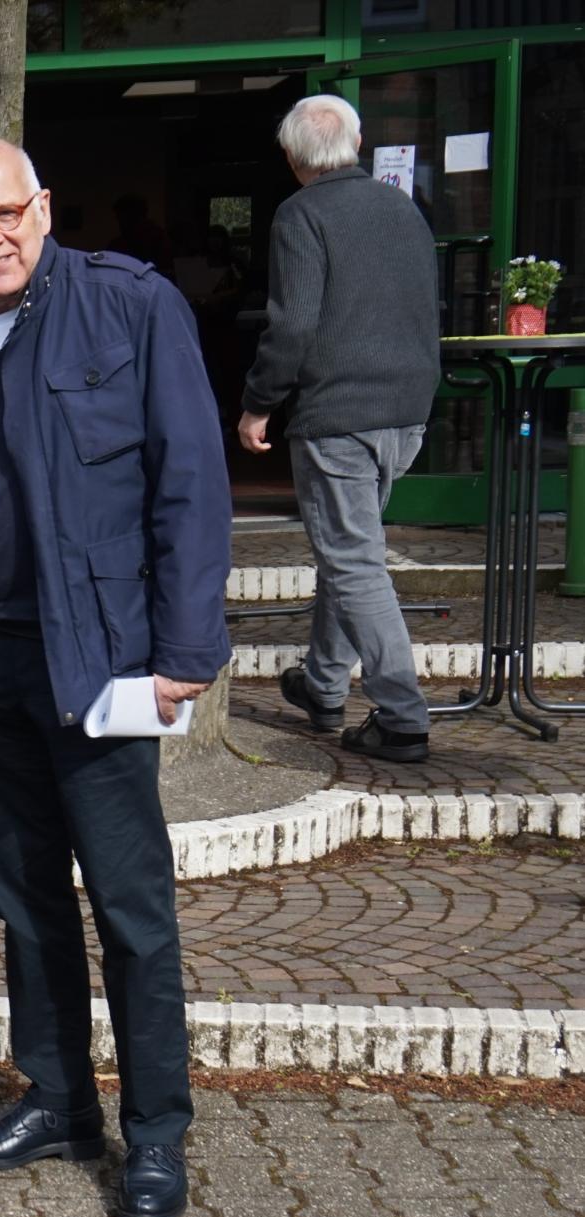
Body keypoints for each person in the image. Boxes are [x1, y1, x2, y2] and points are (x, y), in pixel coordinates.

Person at [0, 138, 232, 1217]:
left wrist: (184, 648)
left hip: (97, 655)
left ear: (43, 206)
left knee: (130, 905)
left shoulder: (129, 309)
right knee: (24, 894)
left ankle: (158, 1132)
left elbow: (189, 476)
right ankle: (59, 1098)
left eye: (6, 212)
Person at [239, 95, 440, 764]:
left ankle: (403, 715)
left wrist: (258, 402)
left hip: (340, 412)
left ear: (293, 158)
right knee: (348, 550)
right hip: (406, 410)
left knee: (353, 559)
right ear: (354, 144)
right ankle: (323, 684)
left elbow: (292, 323)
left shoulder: (301, 214)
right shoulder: (402, 209)